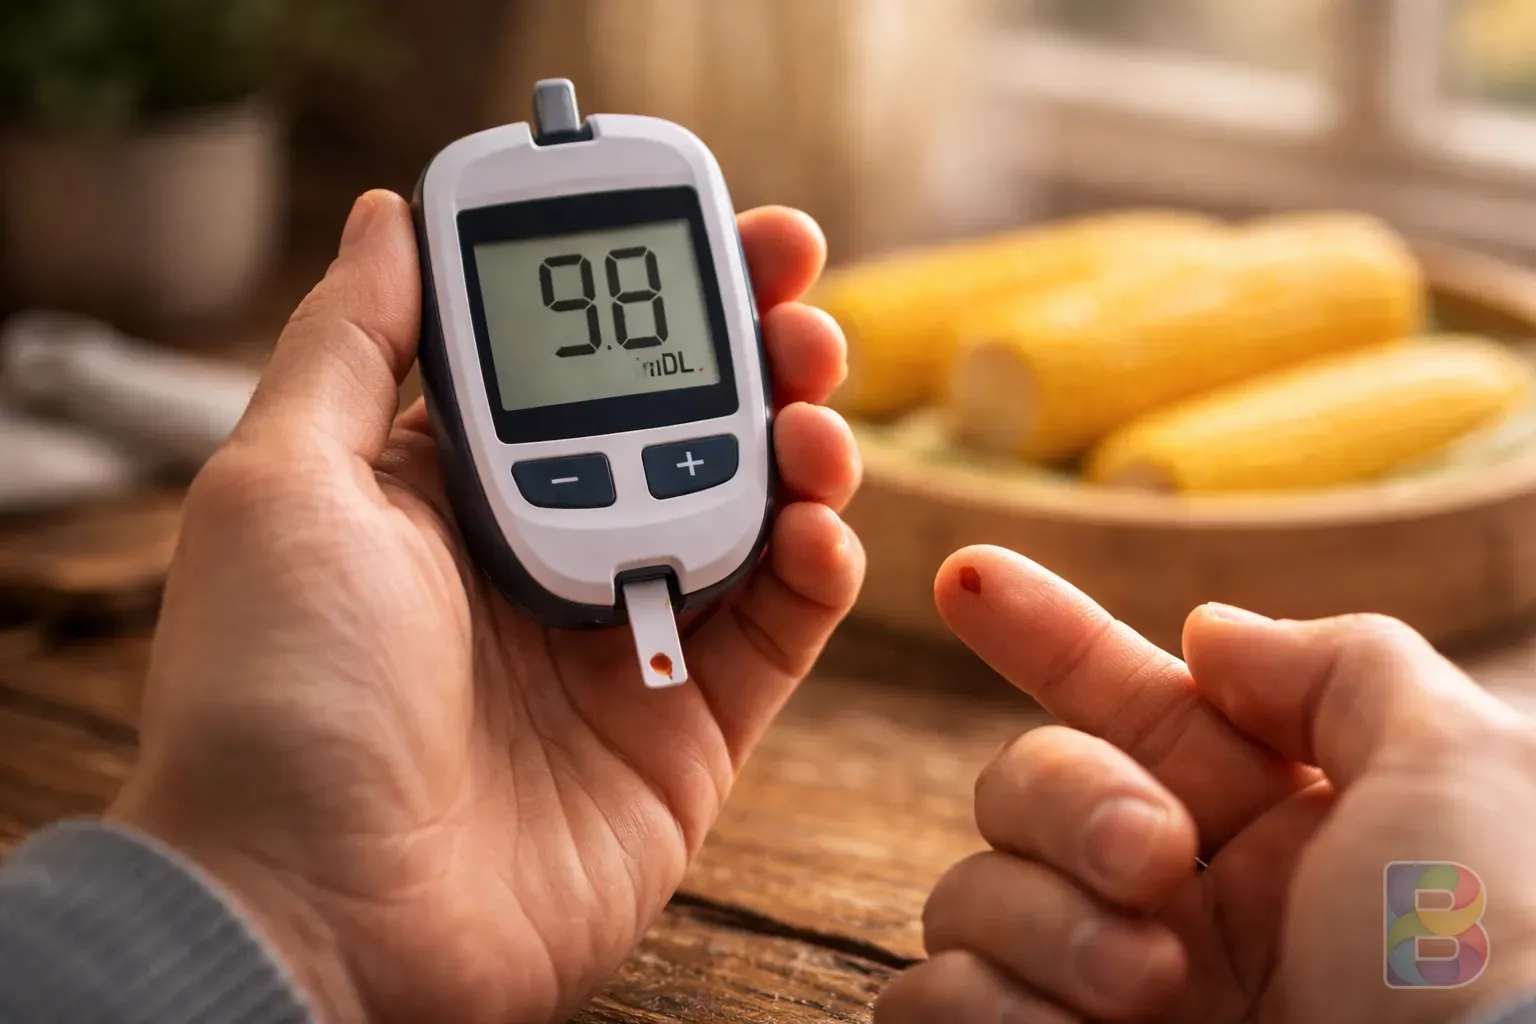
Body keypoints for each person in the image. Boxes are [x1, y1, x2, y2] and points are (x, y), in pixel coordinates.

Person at [1, 193, 1533, 1024]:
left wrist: (1430, 979)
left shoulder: (1423, 928)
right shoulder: (1442, 937)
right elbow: (1449, 964)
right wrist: (291, 906)